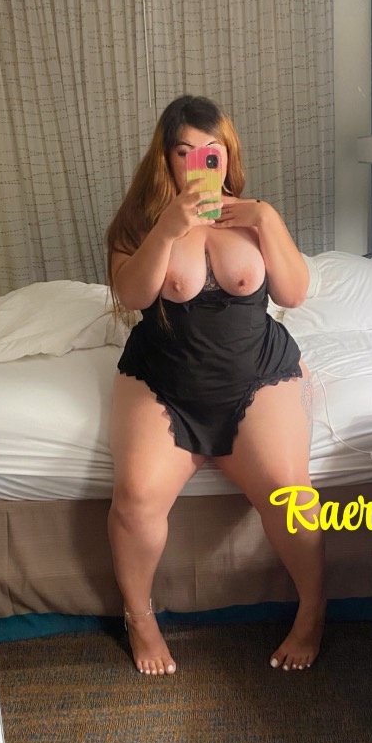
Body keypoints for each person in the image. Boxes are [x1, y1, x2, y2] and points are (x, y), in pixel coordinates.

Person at [105, 95, 326, 676]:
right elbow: (132, 295)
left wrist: (266, 219)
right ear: (166, 160)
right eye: (184, 153)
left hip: (256, 375)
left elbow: (294, 294)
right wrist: (167, 229)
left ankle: (312, 610)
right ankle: (139, 619)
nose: (199, 163)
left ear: (227, 155)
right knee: (135, 497)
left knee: (290, 492)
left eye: (212, 151)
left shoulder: (253, 216)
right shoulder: (139, 223)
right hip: (163, 382)